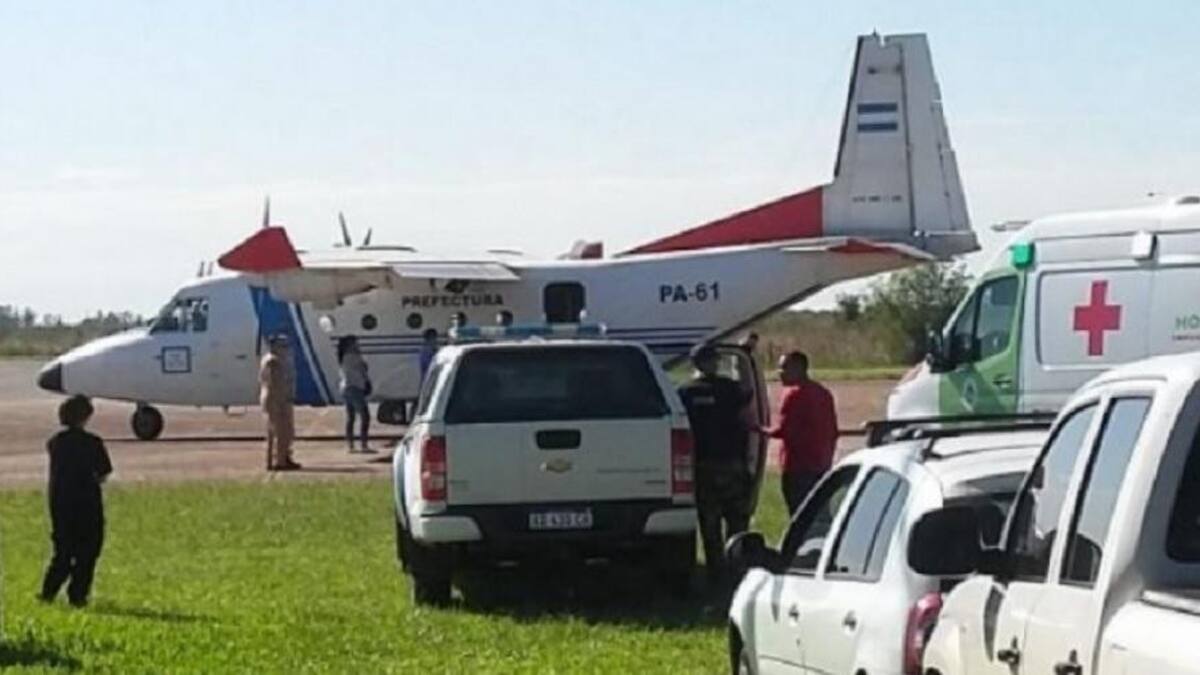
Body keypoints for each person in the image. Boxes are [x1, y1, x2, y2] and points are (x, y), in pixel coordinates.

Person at [677, 344, 754, 588]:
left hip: (703, 465)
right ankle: (738, 571)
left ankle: (716, 574)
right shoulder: (730, 389)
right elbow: (749, 395)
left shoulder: (685, 393)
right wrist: (745, 357)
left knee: (709, 525)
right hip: (731, 463)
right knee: (737, 521)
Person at [40, 395, 112, 608]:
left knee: (63, 550)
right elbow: (103, 472)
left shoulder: (55, 443)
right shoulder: (93, 442)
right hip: (87, 503)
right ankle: (78, 594)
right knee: (88, 551)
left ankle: (49, 590)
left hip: (60, 502)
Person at [767, 351, 838, 515]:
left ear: (798, 368)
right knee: (819, 513)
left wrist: (757, 428)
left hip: (797, 467)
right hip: (821, 465)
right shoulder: (823, 392)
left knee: (798, 515)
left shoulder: (793, 394)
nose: (780, 373)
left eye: (784, 368)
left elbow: (782, 431)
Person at [260, 334, 300, 471]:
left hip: (279, 398)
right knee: (281, 431)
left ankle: (282, 457)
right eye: (283, 346)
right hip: (277, 399)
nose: (286, 348)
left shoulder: (276, 360)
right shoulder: (273, 362)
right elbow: (275, 383)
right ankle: (280, 461)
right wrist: (283, 398)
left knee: (281, 431)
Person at [337, 335, 373, 453]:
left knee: (351, 417)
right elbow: (363, 369)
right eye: (355, 343)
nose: (358, 345)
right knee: (365, 416)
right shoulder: (353, 356)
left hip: (346, 388)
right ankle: (363, 444)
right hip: (355, 387)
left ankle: (351, 445)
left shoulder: (343, 357)